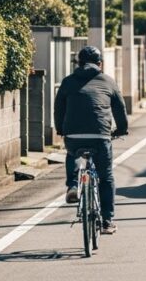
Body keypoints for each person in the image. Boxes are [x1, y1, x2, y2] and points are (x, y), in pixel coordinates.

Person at [53, 45, 128, 234]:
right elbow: (120, 108)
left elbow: (59, 108)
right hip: (100, 135)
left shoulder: (68, 82)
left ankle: (73, 185)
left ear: (78, 63)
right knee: (106, 176)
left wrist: (61, 129)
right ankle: (107, 221)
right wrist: (122, 129)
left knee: (72, 153)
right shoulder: (108, 81)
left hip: (73, 135)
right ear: (100, 63)